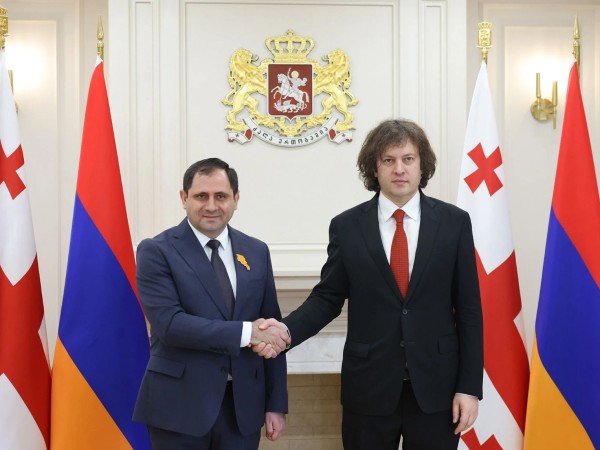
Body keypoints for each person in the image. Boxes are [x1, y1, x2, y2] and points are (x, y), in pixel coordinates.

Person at [257, 119, 483, 449]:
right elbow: (327, 298)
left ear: (422, 165)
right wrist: (285, 332)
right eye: (388, 160)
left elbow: (469, 310)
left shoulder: (454, 223)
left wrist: (469, 387)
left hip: (438, 390)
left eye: (408, 159)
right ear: (374, 169)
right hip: (368, 390)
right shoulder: (347, 226)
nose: (399, 169)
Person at [133, 158, 290, 450]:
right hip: (179, 408)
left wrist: (276, 403)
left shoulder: (256, 251)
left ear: (236, 199)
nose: (211, 206)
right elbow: (170, 325)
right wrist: (248, 333)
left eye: (221, 196)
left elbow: (271, 326)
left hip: (242, 409)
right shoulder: (156, 251)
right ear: (184, 198)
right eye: (201, 196)